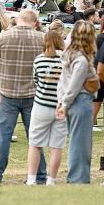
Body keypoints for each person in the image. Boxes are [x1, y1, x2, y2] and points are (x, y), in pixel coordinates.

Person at [0, 9, 46, 185]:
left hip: (7, 94)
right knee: (35, 137)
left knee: (3, 136)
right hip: (33, 94)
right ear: (34, 22)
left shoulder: (2, 38)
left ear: (18, 20)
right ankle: (40, 175)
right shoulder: (42, 39)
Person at [56, 20, 98, 184]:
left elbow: (62, 81)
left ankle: (77, 176)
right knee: (81, 142)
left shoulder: (68, 55)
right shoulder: (81, 59)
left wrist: (61, 101)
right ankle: (78, 178)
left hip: (70, 100)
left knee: (76, 139)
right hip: (80, 101)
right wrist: (64, 103)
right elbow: (74, 85)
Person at [25, 30, 66, 186]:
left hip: (41, 104)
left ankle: (31, 178)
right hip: (60, 105)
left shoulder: (39, 60)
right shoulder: (66, 59)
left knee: (35, 144)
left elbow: (36, 80)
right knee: (56, 145)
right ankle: (51, 179)